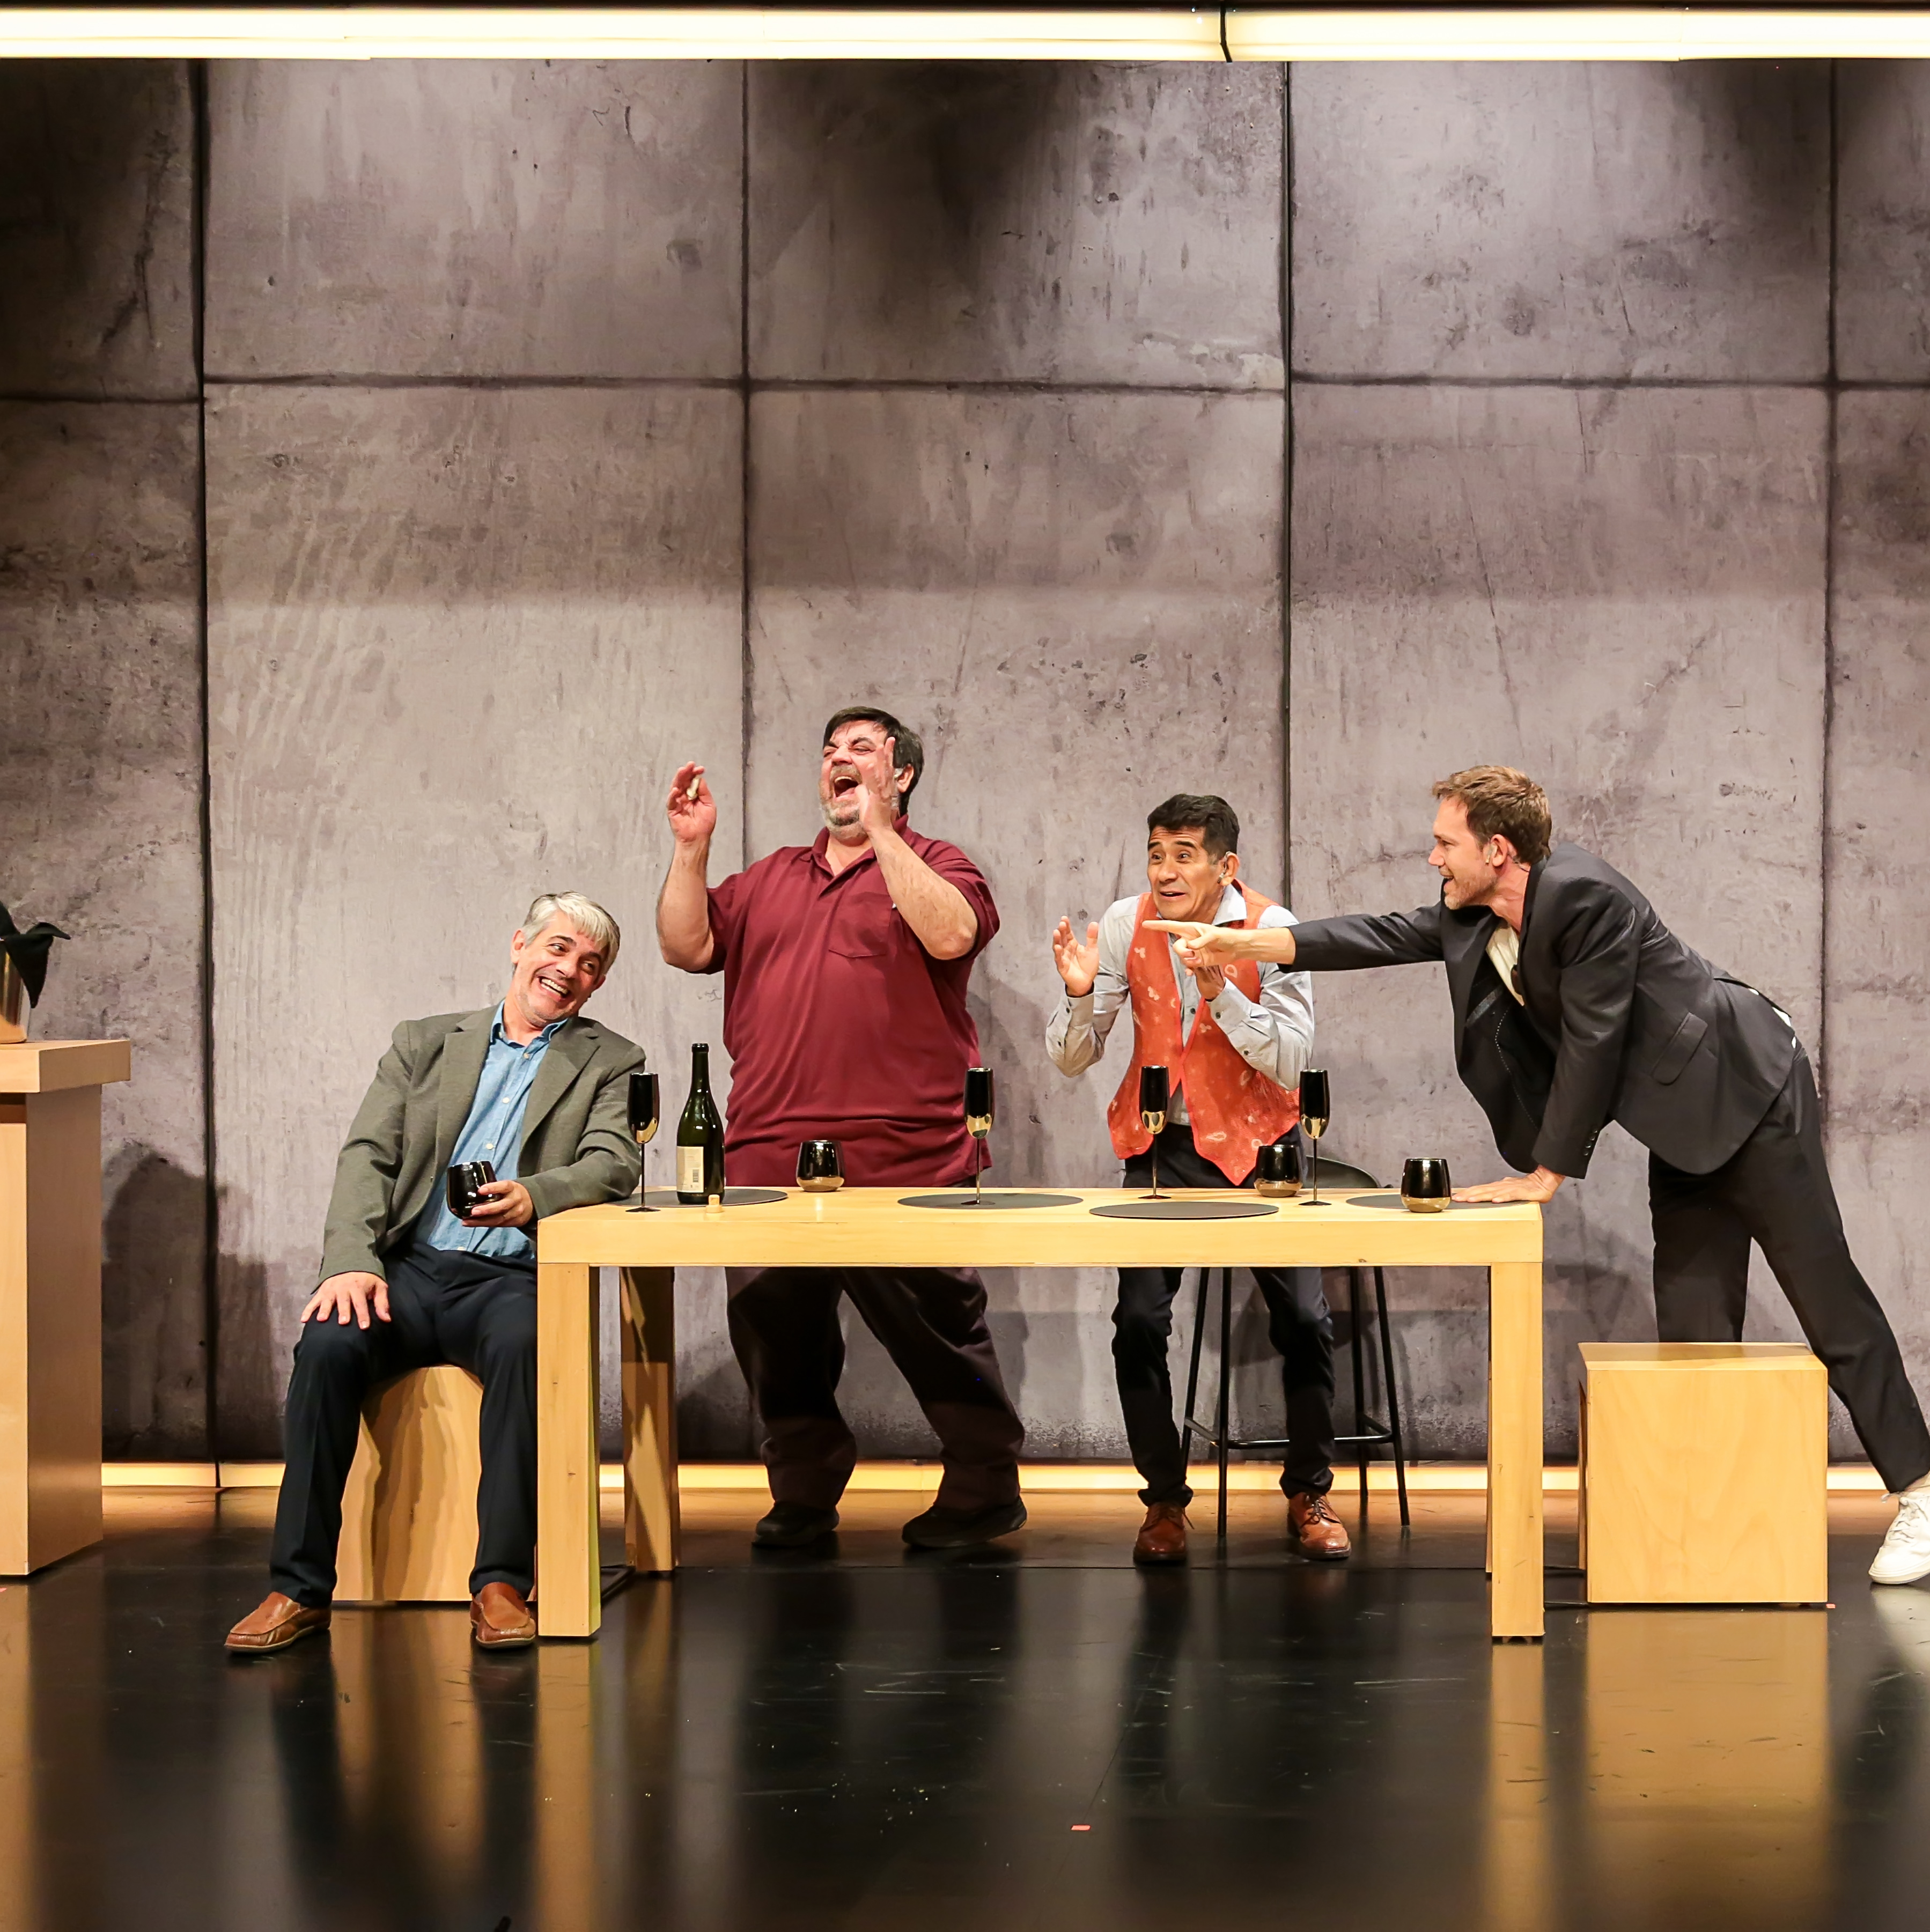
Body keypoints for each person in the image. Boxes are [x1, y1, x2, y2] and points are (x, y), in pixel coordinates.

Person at [1151, 766, 1930, 1586]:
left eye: (1445, 842)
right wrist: (1240, 943)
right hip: (1679, 1123)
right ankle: (1704, 1534)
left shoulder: (1587, 897)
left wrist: (1547, 1173)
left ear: (1497, 849)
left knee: (1826, 1296)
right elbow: (1379, 935)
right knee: (1694, 1324)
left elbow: (1595, 1038)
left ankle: (1926, 1486)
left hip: (1750, 1090)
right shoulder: (1472, 912)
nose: (1433, 857)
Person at [225, 895, 644, 1655]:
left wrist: (535, 1196)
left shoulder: (611, 1059)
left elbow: (613, 1163)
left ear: (598, 983)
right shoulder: (422, 1042)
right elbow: (368, 1156)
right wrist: (350, 1263)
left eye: (590, 964)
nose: (568, 970)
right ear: (519, 946)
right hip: (410, 1268)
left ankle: (501, 1583)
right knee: (328, 1343)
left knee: (528, 1349)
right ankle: (298, 1587)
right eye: (557, 948)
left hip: (511, 1278)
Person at [656, 706, 1024, 1551]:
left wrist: (883, 830)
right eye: (831, 751)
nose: (840, 760)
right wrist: (691, 848)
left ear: (903, 774)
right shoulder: (770, 877)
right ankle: (804, 1487)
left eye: (863, 749)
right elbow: (685, 945)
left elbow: (952, 933)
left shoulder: (939, 863)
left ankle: (985, 1483)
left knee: (938, 1323)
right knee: (774, 1325)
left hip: (908, 1148)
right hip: (768, 1144)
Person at [1048, 792, 1347, 1566]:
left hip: (1263, 1147)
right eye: (1157, 854)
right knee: (1138, 1321)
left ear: (1225, 866)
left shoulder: (1272, 930)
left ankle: (1309, 1491)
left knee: (1305, 1319)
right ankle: (1163, 1499)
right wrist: (1078, 996)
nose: (1166, 871)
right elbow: (1073, 1058)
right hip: (1162, 1147)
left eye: (1184, 855)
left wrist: (1221, 994)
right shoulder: (1127, 924)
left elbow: (1292, 1060)